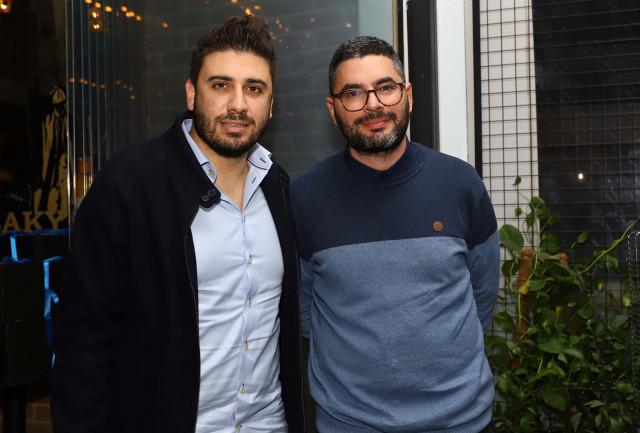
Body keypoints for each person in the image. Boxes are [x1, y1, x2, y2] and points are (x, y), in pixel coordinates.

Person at [53, 16, 305, 433]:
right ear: (191, 93)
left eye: (254, 89)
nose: (238, 104)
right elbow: (83, 339)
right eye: (220, 85)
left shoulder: (278, 187)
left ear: (271, 103)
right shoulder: (131, 184)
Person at [291, 36, 499, 433]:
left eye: (385, 87)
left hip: (462, 423)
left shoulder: (460, 183)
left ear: (408, 96)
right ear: (333, 110)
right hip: (349, 425)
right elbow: (304, 309)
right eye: (353, 93)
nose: (373, 104)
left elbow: (482, 292)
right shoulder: (304, 198)